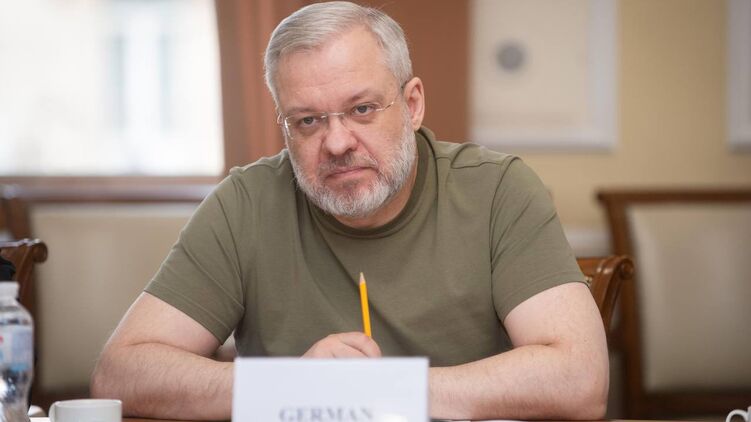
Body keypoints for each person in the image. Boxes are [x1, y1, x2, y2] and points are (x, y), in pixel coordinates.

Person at [90, 2, 608, 420]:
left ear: (412, 104)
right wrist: (292, 386)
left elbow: (580, 380)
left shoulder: (498, 189)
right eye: (308, 121)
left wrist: (388, 391)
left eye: (361, 109)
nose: (337, 143)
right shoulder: (245, 202)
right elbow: (120, 374)